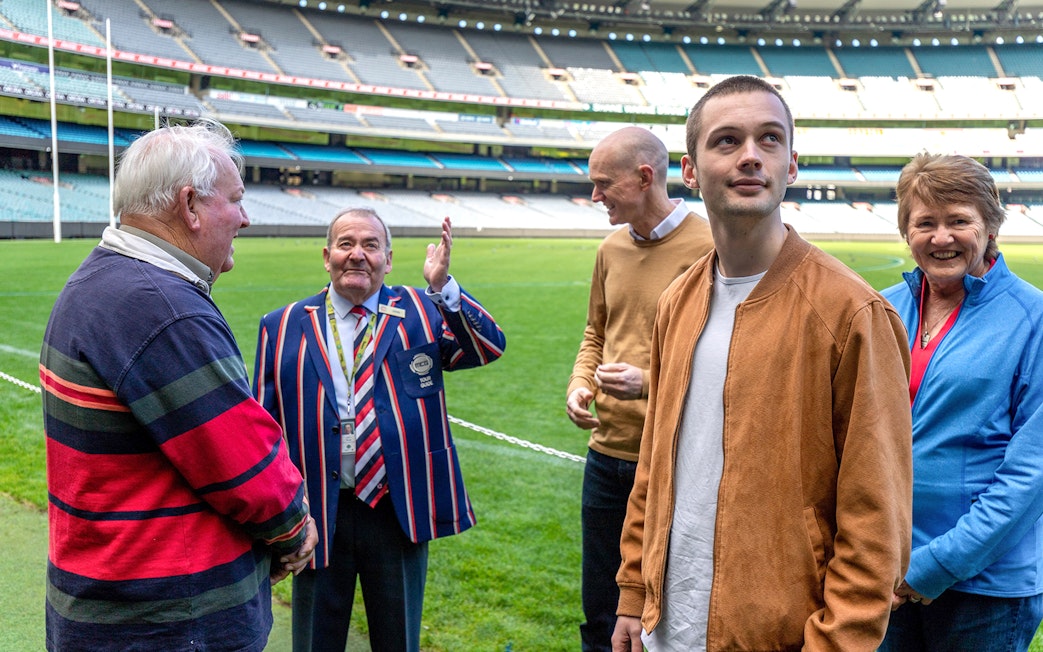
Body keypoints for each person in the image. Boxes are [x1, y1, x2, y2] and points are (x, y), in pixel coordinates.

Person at [611, 74, 913, 652]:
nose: (751, 156)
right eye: (727, 141)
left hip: (782, 638)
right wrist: (632, 592)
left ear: (791, 163)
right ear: (690, 170)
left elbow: (877, 515)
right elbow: (655, 462)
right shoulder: (678, 300)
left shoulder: (850, 312)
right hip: (664, 630)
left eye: (769, 139)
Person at [39, 119, 318, 651]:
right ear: (190, 206)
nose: (246, 218)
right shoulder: (162, 309)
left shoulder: (101, 279)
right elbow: (247, 468)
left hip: (109, 601)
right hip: (165, 620)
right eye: (235, 200)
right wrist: (294, 530)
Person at [254, 208, 506, 652]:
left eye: (370, 245)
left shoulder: (421, 309)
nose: (358, 255)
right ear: (326, 255)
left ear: (388, 259)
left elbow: (487, 347)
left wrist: (443, 287)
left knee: (398, 638)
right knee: (315, 640)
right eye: (346, 244)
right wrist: (279, 510)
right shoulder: (282, 325)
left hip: (397, 507)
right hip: (318, 512)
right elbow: (263, 429)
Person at [879, 154, 1043, 651]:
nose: (941, 237)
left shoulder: (1032, 318)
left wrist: (935, 566)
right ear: (906, 231)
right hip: (883, 569)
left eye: (959, 221)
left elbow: (1029, 476)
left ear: (990, 227)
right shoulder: (881, 308)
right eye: (924, 222)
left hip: (983, 590)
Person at [566, 126, 713, 651]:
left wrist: (648, 383)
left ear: (645, 177)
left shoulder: (711, 247)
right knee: (600, 614)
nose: (594, 196)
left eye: (603, 183)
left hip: (677, 459)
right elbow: (596, 333)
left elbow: (731, 360)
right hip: (606, 458)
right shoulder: (610, 248)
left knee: (670, 608)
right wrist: (581, 382)